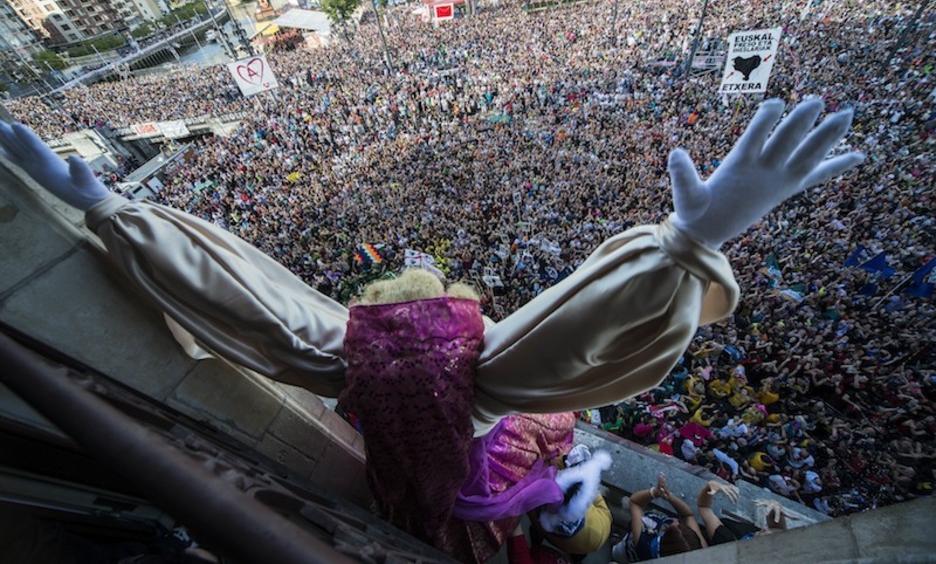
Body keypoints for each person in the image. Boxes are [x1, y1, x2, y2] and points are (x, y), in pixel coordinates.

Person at [0, 99, 863, 560]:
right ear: (463, 316)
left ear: (372, 311)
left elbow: (249, 307)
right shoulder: (482, 377)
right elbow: (568, 339)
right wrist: (686, 247)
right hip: (481, 494)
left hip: (409, 503)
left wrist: (114, 212)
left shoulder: (351, 367)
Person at [611, 473, 706, 561]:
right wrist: (669, 496)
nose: (676, 522)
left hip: (627, 552)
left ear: (665, 542)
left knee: (617, 552)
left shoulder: (645, 542)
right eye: (681, 526)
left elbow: (635, 503)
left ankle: (613, 545)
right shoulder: (700, 551)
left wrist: (654, 493)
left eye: (670, 530)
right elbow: (688, 516)